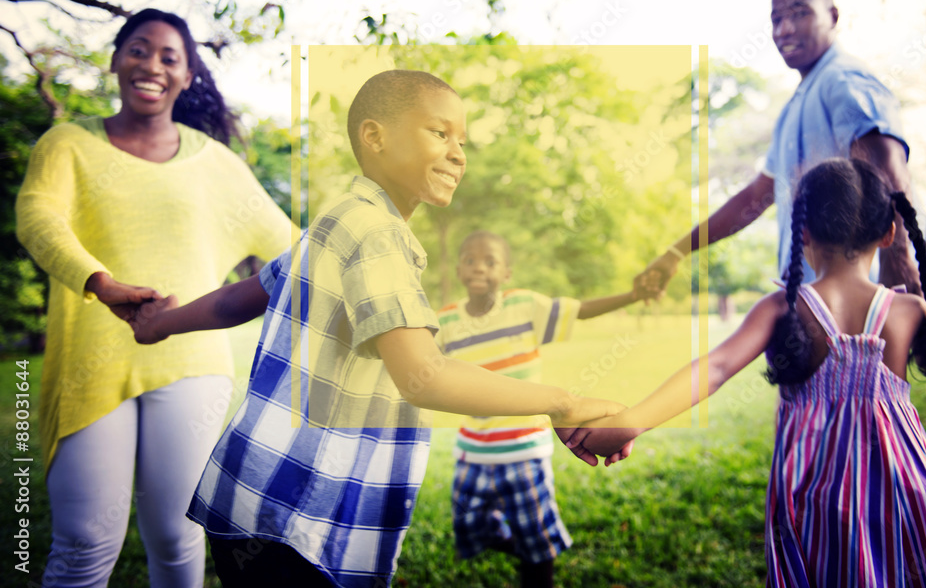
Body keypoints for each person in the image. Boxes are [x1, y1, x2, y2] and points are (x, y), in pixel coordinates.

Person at [128, 69, 626, 588]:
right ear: (375, 136)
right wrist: (560, 403)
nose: (459, 154)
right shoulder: (376, 234)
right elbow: (424, 375)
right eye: (440, 133)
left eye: (463, 141)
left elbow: (240, 296)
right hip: (298, 515)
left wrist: (159, 324)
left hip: (251, 489)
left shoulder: (337, 221)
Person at [568, 157, 926, 586]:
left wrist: (632, 421)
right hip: (905, 485)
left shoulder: (783, 307)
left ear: (803, 231)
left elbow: (716, 368)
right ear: (889, 232)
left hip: (816, 493)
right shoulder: (910, 310)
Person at [14, 9, 296, 586]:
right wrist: (100, 282)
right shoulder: (67, 143)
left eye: (170, 57)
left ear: (188, 75)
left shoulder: (216, 163)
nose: (152, 66)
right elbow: (37, 216)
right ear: (117, 59)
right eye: (138, 50)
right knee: (85, 543)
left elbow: (289, 253)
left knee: (176, 536)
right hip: (89, 366)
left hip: (192, 367)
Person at [639, 0, 926, 308]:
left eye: (800, 13)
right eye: (777, 19)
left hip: (864, 305)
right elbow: (756, 196)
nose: (785, 29)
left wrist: (899, 262)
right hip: (815, 304)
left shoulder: (844, 80)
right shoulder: (794, 107)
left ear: (833, 17)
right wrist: (677, 252)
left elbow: (889, 169)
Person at [436, 229, 643, 588]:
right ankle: (526, 552)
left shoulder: (523, 306)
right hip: (472, 450)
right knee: (471, 528)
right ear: (458, 269)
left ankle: (536, 567)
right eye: (469, 260)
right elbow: (417, 362)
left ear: (506, 273)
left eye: (490, 261)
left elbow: (580, 310)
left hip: (523, 450)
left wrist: (633, 295)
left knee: (536, 541)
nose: (479, 267)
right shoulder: (447, 322)